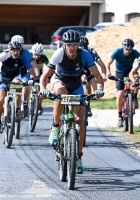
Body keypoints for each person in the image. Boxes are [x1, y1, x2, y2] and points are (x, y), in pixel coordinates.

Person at [40, 30, 104, 174]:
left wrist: (99, 89)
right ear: (64, 45)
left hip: (76, 86)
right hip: (59, 81)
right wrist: (43, 89)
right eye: (69, 44)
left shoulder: (85, 55)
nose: (72, 47)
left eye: (75, 44)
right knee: (61, 94)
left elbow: (97, 76)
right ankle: (56, 127)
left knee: (80, 120)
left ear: (78, 45)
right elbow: (44, 76)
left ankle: (78, 157)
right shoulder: (59, 54)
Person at [0, 41, 35, 133]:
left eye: (18, 50)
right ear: (9, 50)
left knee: (18, 86)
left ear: (20, 50)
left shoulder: (23, 57)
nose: (16, 52)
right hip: (3, 77)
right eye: (13, 50)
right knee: (0, 100)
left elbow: (31, 70)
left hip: (15, 77)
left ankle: (16, 110)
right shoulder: (4, 55)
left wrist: (32, 79)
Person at [107, 38, 140, 127]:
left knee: (136, 80)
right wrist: (109, 73)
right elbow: (108, 63)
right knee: (120, 94)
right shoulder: (117, 51)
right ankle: (119, 116)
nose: (128, 51)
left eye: (130, 49)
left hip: (130, 71)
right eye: (126, 49)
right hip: (119, 73)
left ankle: (134, 97)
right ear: (123, 48)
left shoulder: (135, 52)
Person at [11, 35, 40, 113]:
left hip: (23, 73)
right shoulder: (8, 52)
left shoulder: (26, 52)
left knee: (26, 86)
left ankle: (25, 102)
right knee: (16, 91)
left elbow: (34, 64)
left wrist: (37, 76)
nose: (18, 47)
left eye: (21, 44)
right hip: (13, 73)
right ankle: (15, 109)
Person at [79, 36, 107, 116]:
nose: (84, 51)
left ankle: (87, 105)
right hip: (77, 68)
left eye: (85, 48)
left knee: (88, 80)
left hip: (88, 68)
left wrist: (104, 75)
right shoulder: (75, 51)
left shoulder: (91, 51)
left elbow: (102, 65)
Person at [31, 42, 49, 115]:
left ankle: (39, 105)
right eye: (35, 54)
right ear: (32, 53)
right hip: (30, 73)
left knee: (40, 89)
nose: (36, 57)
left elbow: (49, 66)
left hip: (39, 74)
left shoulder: (43, 57)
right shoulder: (29, 56)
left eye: (38, 55)